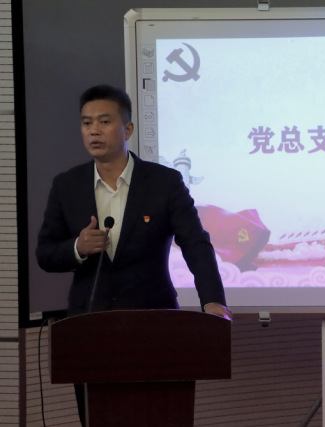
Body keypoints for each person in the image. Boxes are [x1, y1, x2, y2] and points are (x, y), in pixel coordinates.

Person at [36, 84, 231, 425]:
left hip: (154, 326)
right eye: (86, 123)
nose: (93, 130)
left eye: (104, 121)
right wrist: (77, 248)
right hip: (89, 329)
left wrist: (212, 301)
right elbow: (45, 253)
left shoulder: (164, 182)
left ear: (127, 129)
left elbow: (196, 243)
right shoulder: (66, 185)